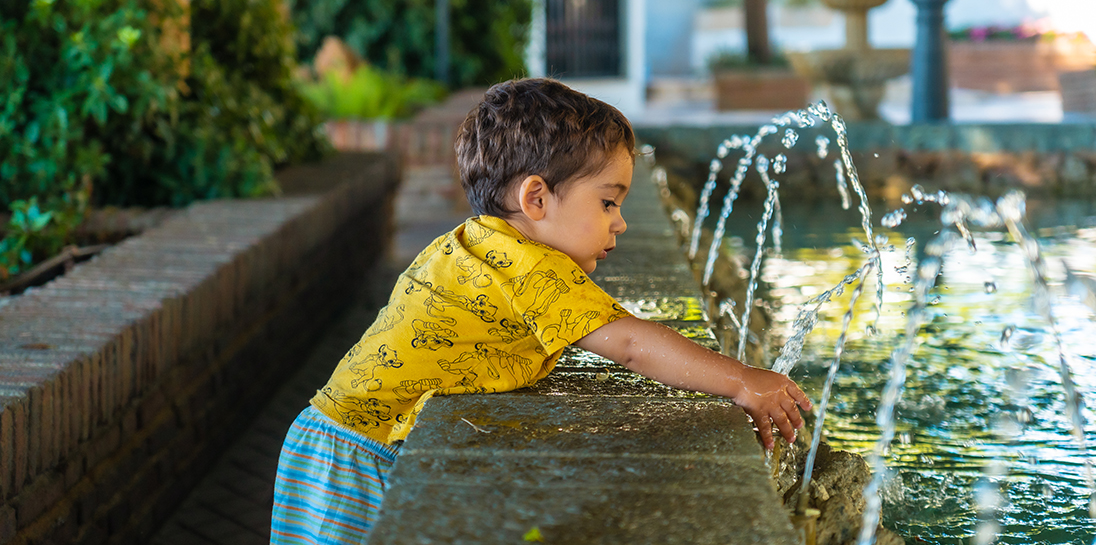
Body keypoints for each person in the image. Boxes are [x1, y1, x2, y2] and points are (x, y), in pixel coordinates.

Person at [270, 78, 812, 544]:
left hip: (329, 438)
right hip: (356, 458)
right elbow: (629, 342)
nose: (620, 222)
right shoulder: (532, 269)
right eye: (607, 202)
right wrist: (741, 380)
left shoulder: (478, 244)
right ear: (536, 199)